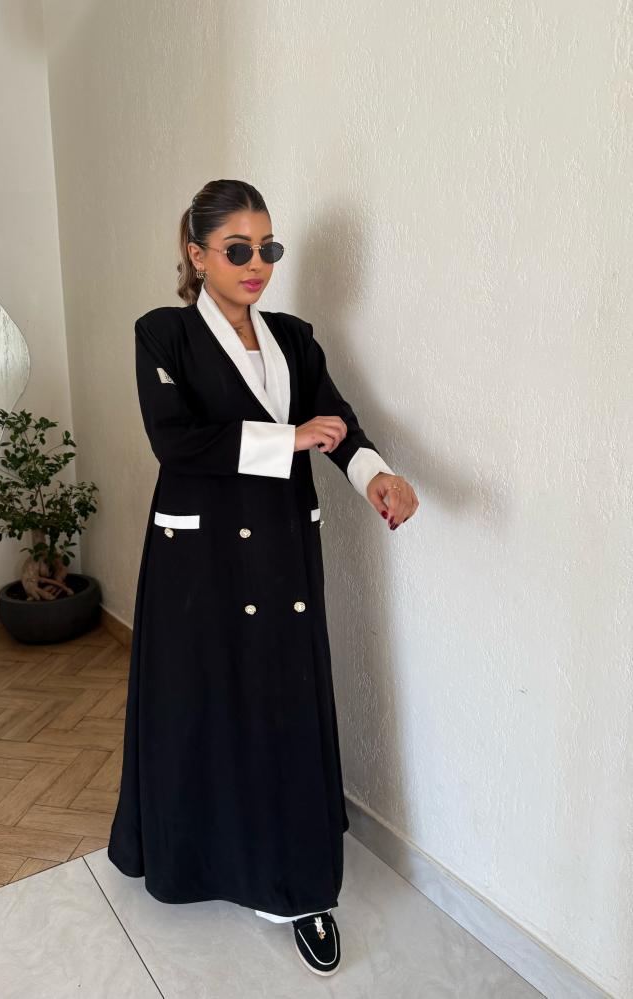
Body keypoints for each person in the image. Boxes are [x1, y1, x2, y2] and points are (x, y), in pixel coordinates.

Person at [107, 179, 418, 976]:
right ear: (197, 254)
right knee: (203, 702)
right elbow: (176, 442)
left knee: (282, 701)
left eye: (268, 248)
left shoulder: (294, 339)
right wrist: (289, 439)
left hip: (280, 548)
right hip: (198, 560)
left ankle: (298, 886)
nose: (257, 263)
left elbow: (339, 424)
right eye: (238, 248)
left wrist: (376, 476)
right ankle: (197, 857)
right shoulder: (164, 335)